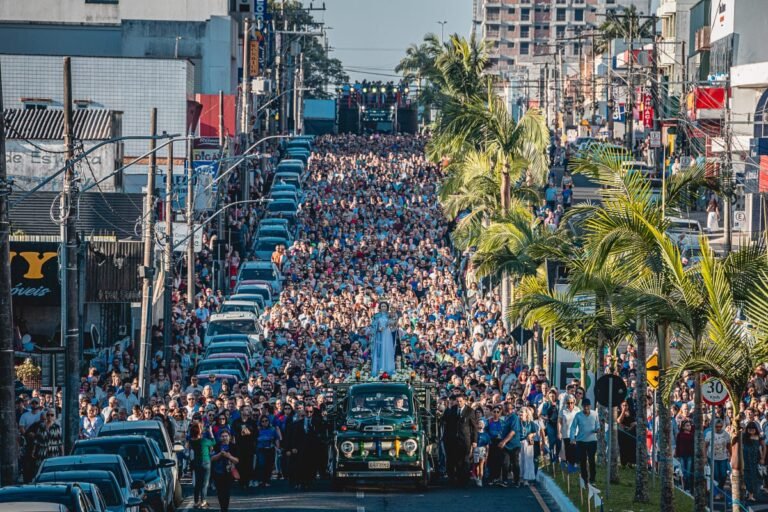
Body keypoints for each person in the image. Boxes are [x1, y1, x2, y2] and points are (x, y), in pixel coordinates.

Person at [570, 398, 599, 485]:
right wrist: (572, 438)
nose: (586, 408)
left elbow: (597, 425)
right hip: (581, 441)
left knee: (592, 460)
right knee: (582, 461)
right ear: (582, 406)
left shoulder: (595, 414)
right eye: (584, 406)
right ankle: (584, 479)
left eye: (587, 406)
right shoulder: (578, 415)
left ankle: (592, 479)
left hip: (592, 441)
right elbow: (573, 427)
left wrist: (597, 429)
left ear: (590, 406)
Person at [452, 394, 479, 487]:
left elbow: (474, 427)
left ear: (464, 401)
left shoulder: (470, 411)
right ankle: (459, 479)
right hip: (455, 440)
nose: (459, 403)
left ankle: (465, 480)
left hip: (466, 439)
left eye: (460, 401)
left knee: (466, 460)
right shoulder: (453, 409)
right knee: (457, 460)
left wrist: (474, 441)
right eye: (457, 401)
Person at [188, 420, 215, 508]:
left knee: (198, 483)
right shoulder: (204, 441)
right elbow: (213, 442)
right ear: (199, 431)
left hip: (196, 462)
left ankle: (196, 502)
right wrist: (210, 432)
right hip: (206, 462)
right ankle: (203, 501)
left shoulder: (191, 441)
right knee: (205, 483)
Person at [211, 430, 239, 512]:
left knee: (226, 492)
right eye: (222, 436)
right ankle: (222, 508)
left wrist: (228, 456)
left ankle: (225, 508)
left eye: (226, 436)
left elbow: (237, 460)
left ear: (229, 437)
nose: (224, 438)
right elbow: (211, 458)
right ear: (220, 437)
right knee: (220, 491)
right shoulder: (216, 446)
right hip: (218, 472)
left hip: (229, 472)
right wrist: (220, 454)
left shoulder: (233, 446)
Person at [232, 406, 258, 489]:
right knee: (240, 464)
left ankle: (248, 481)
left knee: (249, 464)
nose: (248, 411)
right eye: (246, 409)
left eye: (249, 409)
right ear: (241, 411)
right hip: (239, 446)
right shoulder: (236, 422)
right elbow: (233, 434)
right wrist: (240, 434)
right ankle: (241, 482)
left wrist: (249, 433)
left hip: (250, 446)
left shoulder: (252, 422)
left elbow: (256, 434)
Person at [370, 302, 397, 375]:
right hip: (379, 335)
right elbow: (372, 326)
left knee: (388, 350)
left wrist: (392, 322)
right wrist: (378, 329)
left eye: (385, 306)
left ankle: (389, 369)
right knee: (380, 350)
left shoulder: (390, 315)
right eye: (382, 306)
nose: (383, 308)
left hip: (387, 334)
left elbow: (394, 326)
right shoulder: (376, 316)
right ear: (380, 307)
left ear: (387, 307)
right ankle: (379, 369)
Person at [256, 414, 281, 487]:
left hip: (270, 449)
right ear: (260, 422)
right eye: (262, 421)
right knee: (261, 464)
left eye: (266, 421)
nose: (264, 422)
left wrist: (278, 448)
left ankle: (267, 481)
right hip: (261, 449)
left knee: (269, 465)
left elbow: (276, 439)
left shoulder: (272, 429)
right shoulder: (258, 430)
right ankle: (261, 480)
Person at [742, 421, 765, 502]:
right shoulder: (744, 436)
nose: (751, 431)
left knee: (755, 477)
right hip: (746, 459)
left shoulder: (759, 437)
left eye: (753, 429)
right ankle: (749, 493)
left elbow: (763, 447)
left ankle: (752, 494)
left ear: (756, 429)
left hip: (755, 459)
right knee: (746, 476)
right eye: (750, 429)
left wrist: (762, 458)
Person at [675, 419, 694, 490]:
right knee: (683, 471)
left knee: (688, 472)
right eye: (687, 425)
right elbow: (678, 445)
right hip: (682, 455)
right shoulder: (680, 435)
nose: (689, 427)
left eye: (689, 425)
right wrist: (677, 454)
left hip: (689, 455)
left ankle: (687, 486)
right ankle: (683, 486)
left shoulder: (692, 435)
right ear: (683, 427)